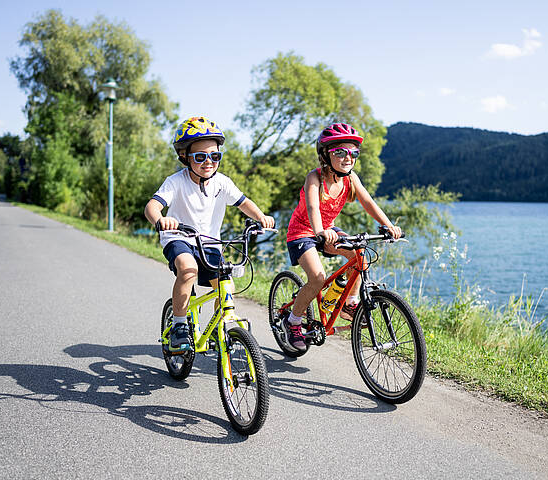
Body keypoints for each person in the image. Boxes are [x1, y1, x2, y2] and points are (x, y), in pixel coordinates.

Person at [144, 116, 275, 353]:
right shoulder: (175, 182)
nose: (209, 162)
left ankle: (219, 327)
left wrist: (260, 216)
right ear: (185, 156)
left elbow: (244, 202)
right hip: (179, 238)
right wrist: (161, 219)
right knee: (188, 269)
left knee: (227, 286)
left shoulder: (222, 183)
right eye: (200, 156)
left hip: (209, 244)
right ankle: (179, 325)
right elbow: (152, 206)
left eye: (215, 156)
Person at [283, 123, 402, 351]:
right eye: (340, 152)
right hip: (303, 233)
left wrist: (388, 225)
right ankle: (294, 322)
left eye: (353, 152)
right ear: (326, 155)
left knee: (360, 258)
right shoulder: (314, 178)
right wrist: (320, 232)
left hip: (328, 230)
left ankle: (350, 303)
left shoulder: (350, 178)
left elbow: (368, 202)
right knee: (317, 277)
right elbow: (312, 207)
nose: (348, 157)